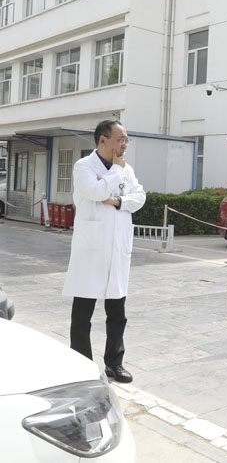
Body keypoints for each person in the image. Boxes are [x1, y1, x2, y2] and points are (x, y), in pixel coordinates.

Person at [62, 120, 146, 383]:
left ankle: (114, 363)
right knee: (82, 315)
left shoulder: (127, 169)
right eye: (121, 139)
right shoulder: (84, 166)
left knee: (117, 313)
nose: (125, 144)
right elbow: (97, 191)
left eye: (126, 139)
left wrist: (118, 201)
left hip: (117, 249)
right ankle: (82, 366)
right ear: (102, 140)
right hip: (92, 250)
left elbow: (140, 197)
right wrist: (116, 173)